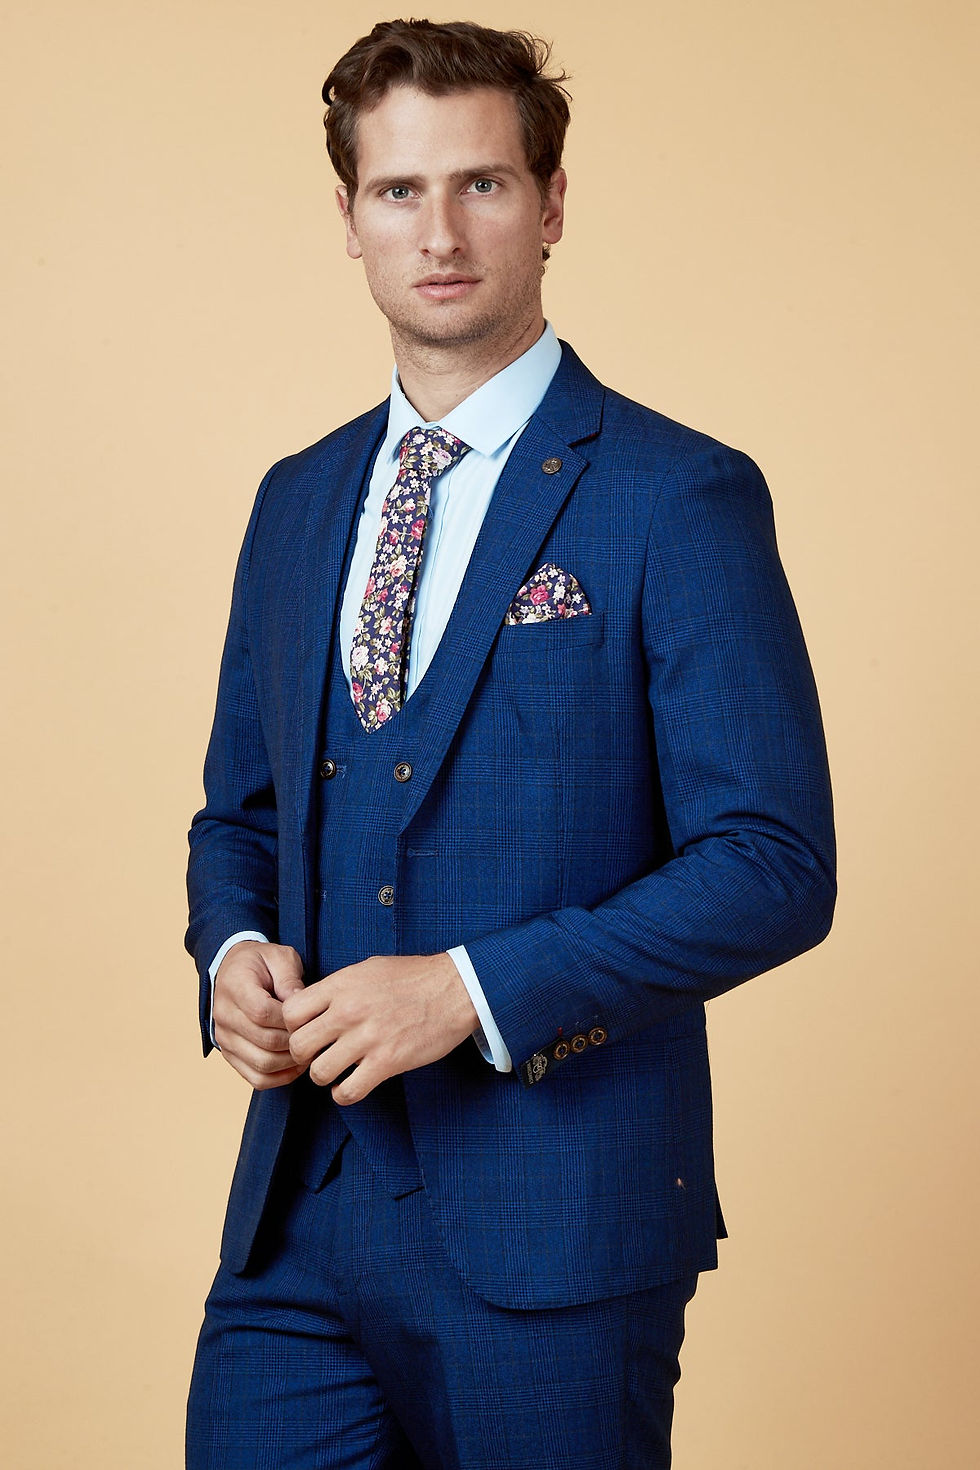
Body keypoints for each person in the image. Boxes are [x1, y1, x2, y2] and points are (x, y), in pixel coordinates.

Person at [184, 17, 836, 1469]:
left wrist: (471, 991)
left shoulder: (676, 495)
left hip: (561, 1229)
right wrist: (229, 956)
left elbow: (774, 863)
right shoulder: (296, 501)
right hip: (297, 1220)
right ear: (348, 217)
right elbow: (241, 815)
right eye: (399, 191)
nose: (440, 233)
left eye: (481, 184)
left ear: (550, 204)